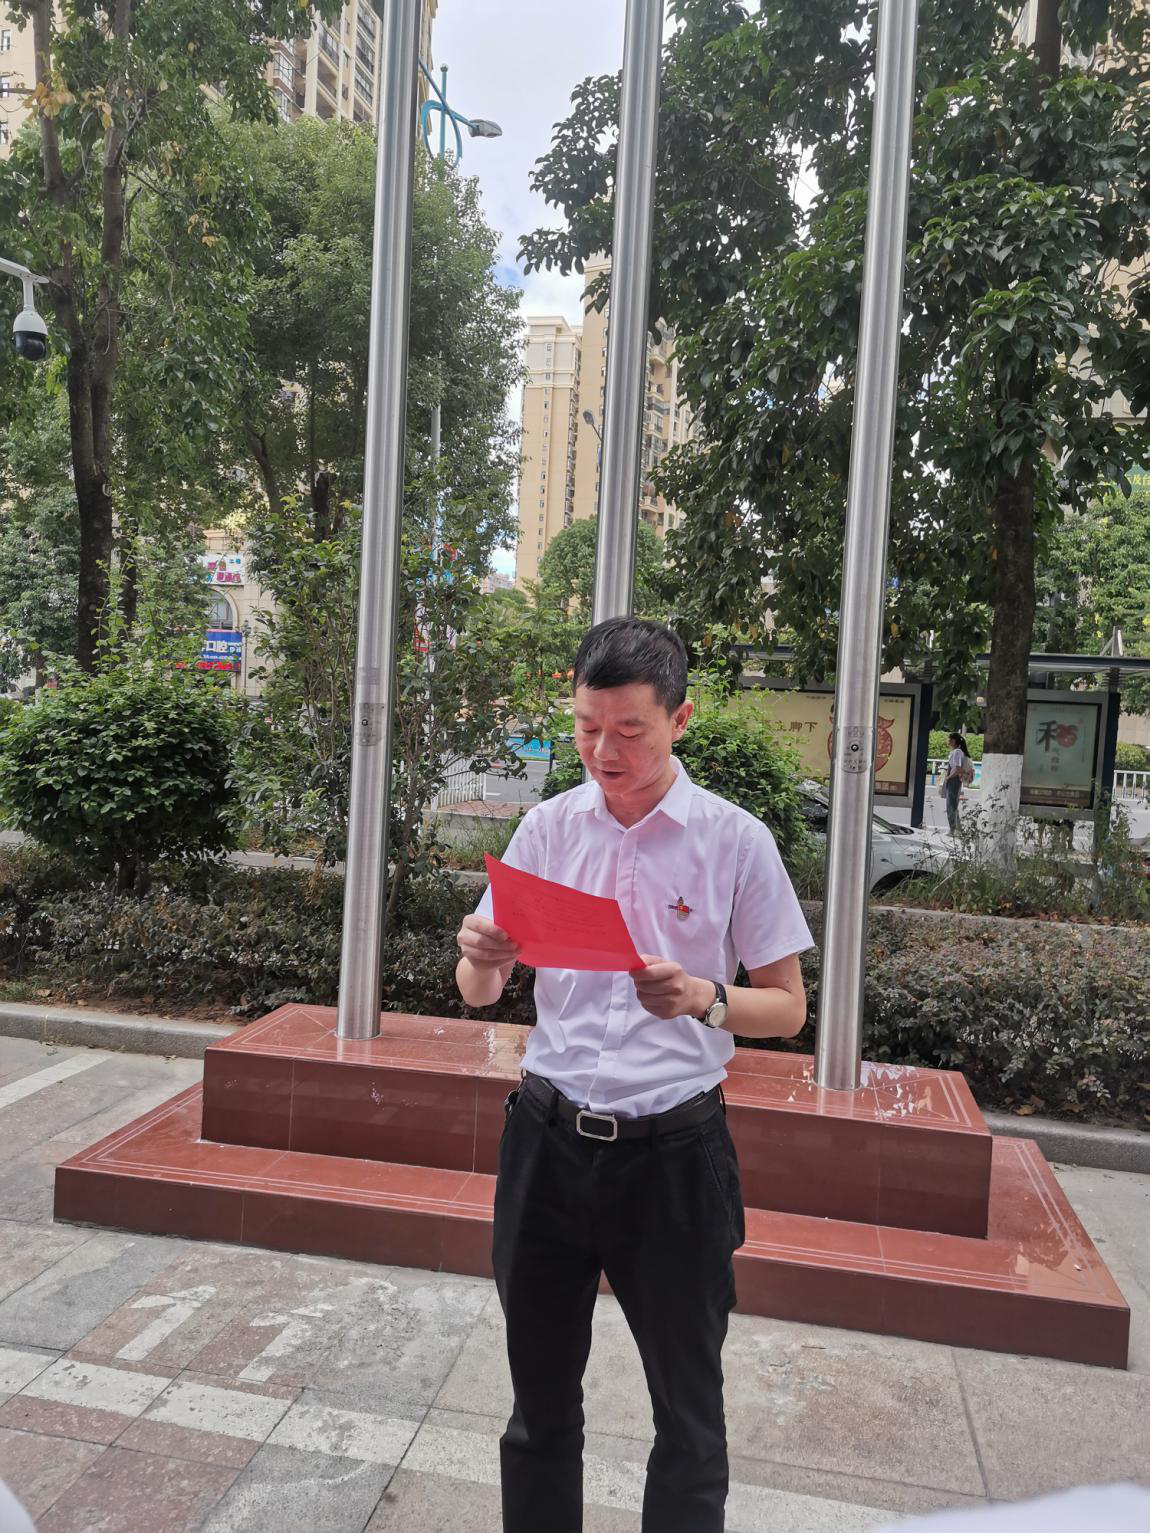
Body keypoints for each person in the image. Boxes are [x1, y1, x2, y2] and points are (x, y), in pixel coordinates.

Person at [455, 617, 813, 1533]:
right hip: (546, 1143)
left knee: (688, 1421)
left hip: (673, 1158)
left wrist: (702, 997)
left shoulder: (734, 841)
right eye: (586, 727)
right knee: (538, 1409)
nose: (604, 751)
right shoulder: (548, 827)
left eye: (629, 730)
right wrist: (483, 957)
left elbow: (787, 1007)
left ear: (680, 719)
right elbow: (478, 990)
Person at [942, 731, 970, 833]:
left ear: (953, 740)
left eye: (949, 739)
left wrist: (948, 777)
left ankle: (953, 830)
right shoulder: (957, 751)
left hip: (954, 780)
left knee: (951, 806)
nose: (948, 741)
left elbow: (957, 769)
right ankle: (958, 830)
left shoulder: (957, 752)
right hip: (955, 780)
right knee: (953, 805)